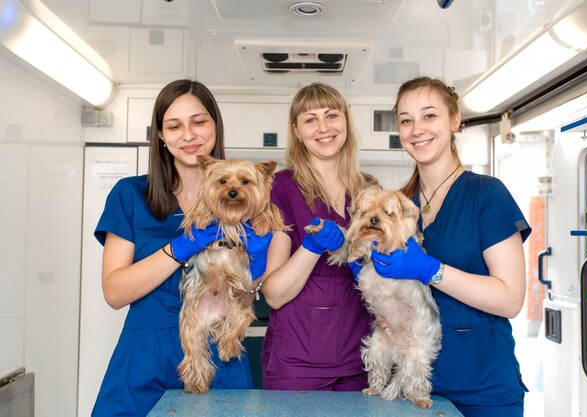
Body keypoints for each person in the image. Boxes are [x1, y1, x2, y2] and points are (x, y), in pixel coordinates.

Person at [92, 79, 271, 417]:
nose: (188, 135)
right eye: (174, 126)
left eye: (199, 122)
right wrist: (179, 248)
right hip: (145, 354)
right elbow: (114, 292)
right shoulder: (131, 195)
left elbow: (250, 292)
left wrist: (256, 272)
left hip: (220, 351)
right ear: (160, 135)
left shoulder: (247, 197)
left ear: (215, 126)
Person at [365, 76, 531, 417]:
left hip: (482, 387)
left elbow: (510, 299)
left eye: (429, 116)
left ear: (455, 121)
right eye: (406, 120)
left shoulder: (487, 195)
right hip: (411, 388)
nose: (417, 129)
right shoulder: (397, 207)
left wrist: (431, 270)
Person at [260, 82, 377, 391]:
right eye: (310, 119)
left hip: (363, 360)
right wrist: (311, 247)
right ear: (297, 131)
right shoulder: (280, 188)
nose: (323, 127)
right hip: (297, 364)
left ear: (346, 122)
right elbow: (273, 293)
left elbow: (382, 277)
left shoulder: (369, 190)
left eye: (332, 115)